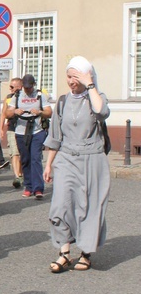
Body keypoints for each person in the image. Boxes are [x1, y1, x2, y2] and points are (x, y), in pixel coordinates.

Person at [43, 56, 110, 273]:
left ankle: (86, 253)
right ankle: (64, 253)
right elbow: (55, 137)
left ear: (86, 75)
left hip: (92, 159)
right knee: (60, 205)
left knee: (88, 207)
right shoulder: (62, 102)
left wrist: (90, 84)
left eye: (76, 76)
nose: (71, 80)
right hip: (66, 158)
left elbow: (102, 112)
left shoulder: (96, 97)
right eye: (69, 75)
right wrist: (48, 164)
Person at [5, 73, 52, 199]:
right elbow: (7, 113)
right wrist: (14, 111)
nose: (27, 89)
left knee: (35, 158)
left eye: (29, 87)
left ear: (33, 85)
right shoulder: (17, 96)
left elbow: (49, 112)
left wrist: (40, 112)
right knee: (25, 159)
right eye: (25, 87)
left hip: (37, 131)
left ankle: (38, 188)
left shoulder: (40, 95)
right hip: (21, 131)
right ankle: (28, 186)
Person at [1, 78, 24, 188]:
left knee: (22, 154)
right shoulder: (8, 98)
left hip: (24, 128)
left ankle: (21, 173)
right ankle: (17, 176)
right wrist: (0, 128)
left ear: (19, 87)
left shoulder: (26, 97)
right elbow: (3, 113)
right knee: (14, 153)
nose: (10, 89)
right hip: (11, 128)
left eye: (12, 87)